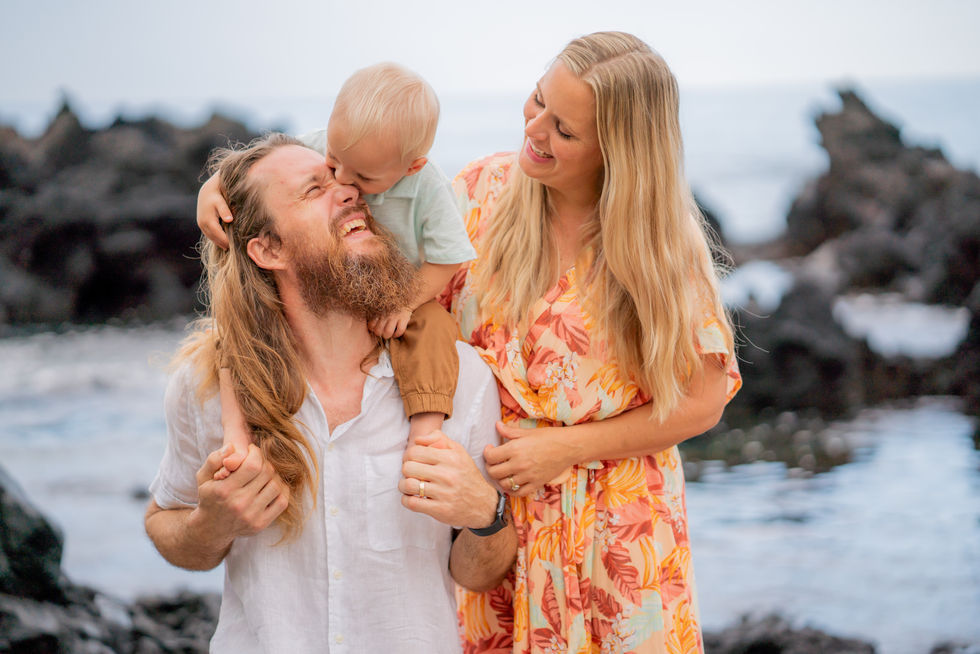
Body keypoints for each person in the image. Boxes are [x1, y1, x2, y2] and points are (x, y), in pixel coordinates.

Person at [146, 134, 516, 653]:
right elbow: (165, 521)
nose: (347, 191)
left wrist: (487, 513)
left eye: (341, 179)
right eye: (313, 189)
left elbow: (481, 575)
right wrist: (211, 524)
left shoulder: (463, 377)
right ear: (267, 249)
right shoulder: (205, 385)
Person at [441, 32, 742, 652]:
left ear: (619, 152)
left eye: (565, 130)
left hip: (621, 533)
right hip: (491, 522)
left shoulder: (660, 247)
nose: (536, 128)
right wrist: (228, 184)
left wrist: (565, 449)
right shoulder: (477, 195)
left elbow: (705, 399)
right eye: (537, 100)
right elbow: (357, 186)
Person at [196, 63, 475, 475]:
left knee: (432, 330)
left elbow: (451, 258)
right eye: (331, 163)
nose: (343, 181)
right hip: (335, 281)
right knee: (235, 331)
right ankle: (235, 432)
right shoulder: (331, 146)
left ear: (411, 167)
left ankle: (426, 433)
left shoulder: (428, 187)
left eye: (362, 176)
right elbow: (260, 168)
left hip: (402, 286)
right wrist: (211, 187)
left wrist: (404, 302)